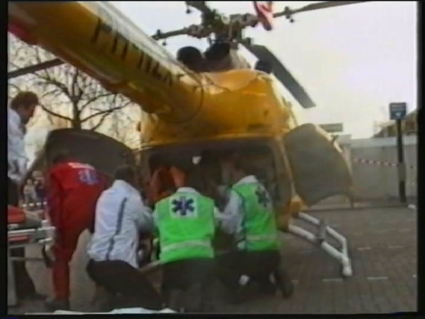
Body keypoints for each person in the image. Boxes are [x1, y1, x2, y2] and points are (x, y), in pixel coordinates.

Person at [216, 155, 294, 303]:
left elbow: (230, 224)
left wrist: (216, 217)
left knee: (217, 263)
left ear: (240, 171)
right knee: (257, 265)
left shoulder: (238, 192)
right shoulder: (261, 188)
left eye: (231, 170)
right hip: (273, 252)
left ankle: (242, 284)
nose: (230, 175)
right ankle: (268, 282)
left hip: (252, 253)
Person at [86, 165, 163, 311]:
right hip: (118, 264)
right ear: (132, 179)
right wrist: (150, 207)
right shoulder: (130, 197)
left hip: (95, 263)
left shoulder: (104, 195)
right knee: (152, 302)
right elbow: (147, 223)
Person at [154, 165, 224, 312]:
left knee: (172, 292)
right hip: (201, 259)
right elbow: (220, 222)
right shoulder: (207, 203)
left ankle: (171, 307)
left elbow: (155, 226)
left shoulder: (162, 205)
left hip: (172, 260)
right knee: (203, 294)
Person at [44, 151, 109, 311]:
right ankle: (106, 292)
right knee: (103, 250)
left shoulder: (57, 172)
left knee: (61, 255)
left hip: (73, 212)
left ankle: (62, 298)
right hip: (98, 208)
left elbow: (55, 202)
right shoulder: (93, 170)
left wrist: (57, 229)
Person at [7, 91, 43, 301]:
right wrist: (23, 175)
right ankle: (20, 289)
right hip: (8, 182)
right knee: (14, 235)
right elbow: (16, 156)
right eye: (31, 110)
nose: (31, 115)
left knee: (14, 235)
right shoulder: (11, 123)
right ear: (23, 106)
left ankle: (22, 287)